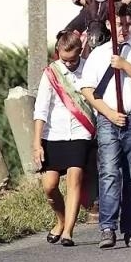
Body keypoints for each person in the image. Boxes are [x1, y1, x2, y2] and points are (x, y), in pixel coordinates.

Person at [80, 4, 131, 249]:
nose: (123, 29)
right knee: (109, 173)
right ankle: (107, 227)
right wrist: (110, 114)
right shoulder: (99, 54)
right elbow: (88, 90)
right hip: (108, 119)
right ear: (108, 25)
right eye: (118, 24)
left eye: (127, 24)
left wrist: (125, 66)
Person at [31, 30, 93, 247]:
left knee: (75, 179)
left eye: (72, 60)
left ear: (80, 51)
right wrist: (37, 143)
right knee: (49, 185)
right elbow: (41, 109)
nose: (67, 64)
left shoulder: (89, 68)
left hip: (79, 133)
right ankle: (61, 220)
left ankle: (68, 231)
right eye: (63, 59)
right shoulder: (51, 73)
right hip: (53, 134)